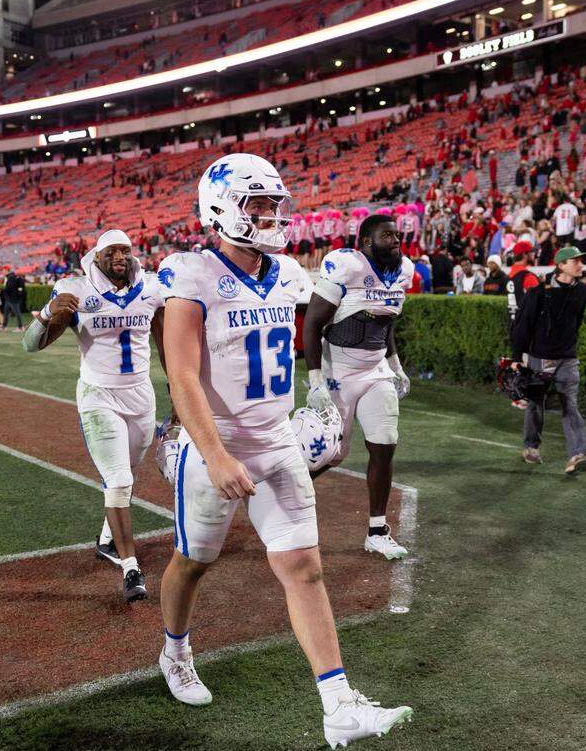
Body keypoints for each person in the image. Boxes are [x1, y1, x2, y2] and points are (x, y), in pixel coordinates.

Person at [155, 153, 412, 747]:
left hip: (278, 440)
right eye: (258, 203)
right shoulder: (190, 273)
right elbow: (183, 375)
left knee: (304, 567)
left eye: (275, 202)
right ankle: (175, 652)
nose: (272, 214)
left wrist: (324, 390)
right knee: (194, 563)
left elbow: (320, 327)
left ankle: (338, 704)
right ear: (221, 209)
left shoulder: (289, 272)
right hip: (219, 442)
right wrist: (213, 452)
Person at [23, 230, 167, 603]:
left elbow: (167, 345)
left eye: (126, 250)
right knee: (118, 480)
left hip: (140, 394)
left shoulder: (152, 287)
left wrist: (177, 394)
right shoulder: (76, 288)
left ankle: (106, 539)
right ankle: (130, 567)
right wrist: (47, 316)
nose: (121, 256)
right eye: (112, 251)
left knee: (130, 473)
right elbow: (30, 344)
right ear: (97, 256)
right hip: (98, 394)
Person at [303, 214, 414, 561]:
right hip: (339, 369)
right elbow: (312, 324)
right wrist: (316, 380)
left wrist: (396, 367)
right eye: (386, 235)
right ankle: (276, 493)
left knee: (384, 444)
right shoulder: (345, 265)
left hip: (375, 370)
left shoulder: (402, 272)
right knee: (329, 454)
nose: (395, 240)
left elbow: (386, 321)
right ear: (366, 241)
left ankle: (377, 531)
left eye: (397, 234)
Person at [510, 245, 586, 476]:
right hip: (540, 359)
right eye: (575, 261)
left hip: (568, 358)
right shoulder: (538, 291)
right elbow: (523, 325)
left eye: (581, 261)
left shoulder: (583, 291)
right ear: (561, 265)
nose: (580, 265)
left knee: (570, 405)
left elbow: (576, 323)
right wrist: (517, 357)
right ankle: (531, 447)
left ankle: (577, 455)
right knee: (536, 405)